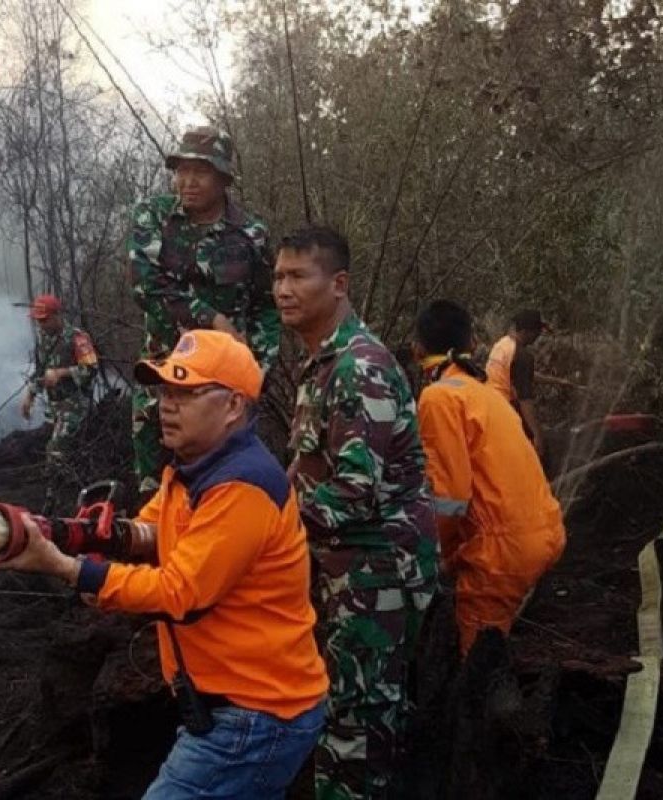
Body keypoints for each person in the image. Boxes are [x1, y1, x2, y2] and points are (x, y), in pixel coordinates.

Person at [0, 329, 328, 799]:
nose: (165, 405)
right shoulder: (192, 469)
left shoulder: (241, 486)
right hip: (236, 710)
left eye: (185, 393)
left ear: (233, 406)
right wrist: (85, 532)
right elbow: (153, 532)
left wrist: (66, 568)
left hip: (256, 717)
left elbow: (180, 593)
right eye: (165, 391)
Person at [276, 225, 437, 799]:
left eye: (298, 276)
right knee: (353, 709)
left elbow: (353, 493)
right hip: (348, 567)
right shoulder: (322, 363)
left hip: (377, 573)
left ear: (338, 283)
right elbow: (308, 469)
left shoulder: (357, 367)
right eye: (277, 276)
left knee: (356, 723)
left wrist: (266, 530)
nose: (283, 289)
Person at [127, 125, 281, 499]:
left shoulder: (251, 234)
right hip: (164, 382)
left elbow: (267, 306)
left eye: (200, 172)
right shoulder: (154, 217)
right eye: (181, 171)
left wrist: (258, 367)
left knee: (226, 488)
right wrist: (213, 319)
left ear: (223, 177)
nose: (188, 181)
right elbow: (146, 286)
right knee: (157, 494)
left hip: (222, 393)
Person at [415, 300, 566, 655]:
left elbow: (449, 499)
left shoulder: (437, 398)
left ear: (417, 349)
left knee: (478, 665)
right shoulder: (486, 395)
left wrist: (430, 557)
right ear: (472, 345)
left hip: (503, 552)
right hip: (545, 531)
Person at [20, 294, 99, 464]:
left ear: (56, 316)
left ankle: (57, 487)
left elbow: (91, 369)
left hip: (75, 405)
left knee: (56, 451)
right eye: (38, 321)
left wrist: (61, 373)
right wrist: (30, 396)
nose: (41, 325)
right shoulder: (44, 340)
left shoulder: (77, 338)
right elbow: (41, 371)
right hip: (54, 407)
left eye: (44, 320)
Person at [485, 309, 550, 458]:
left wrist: (559, 382)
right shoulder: (523, 356)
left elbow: (516, 374)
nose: (538, 337)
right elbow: (525, 401)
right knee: (535, 450)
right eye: (537, 332)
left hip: (489, 407)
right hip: (505, 412)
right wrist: (537, 435)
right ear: (527, 332)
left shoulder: (502, 345)